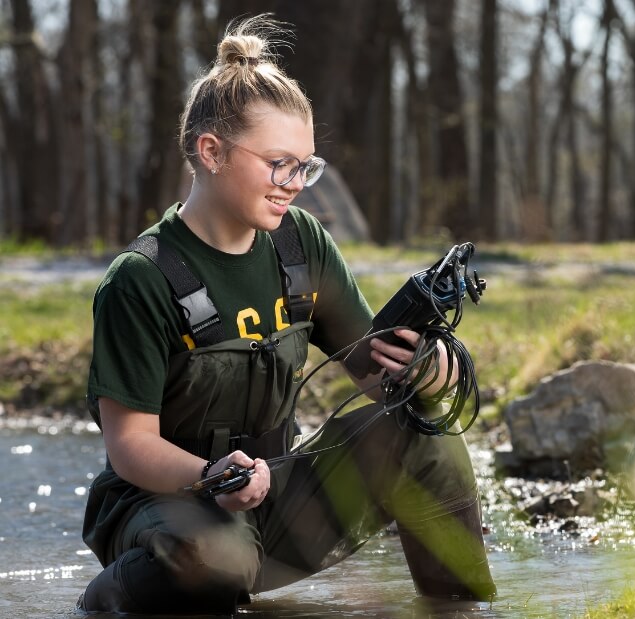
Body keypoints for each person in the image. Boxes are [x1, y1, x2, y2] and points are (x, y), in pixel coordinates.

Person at [78, 15, 495, 614]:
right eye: (280, 163)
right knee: (213, 560)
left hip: (274, 490)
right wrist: (214, 477)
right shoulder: (139, 279)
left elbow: (375, 376)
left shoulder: (302, 243)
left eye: (306, 166)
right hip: (163, 506)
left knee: (427, 434)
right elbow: (130, 446)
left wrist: (430, 374)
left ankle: (462, 608)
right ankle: (108, 599)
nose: (296, 184)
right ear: (212, 152)